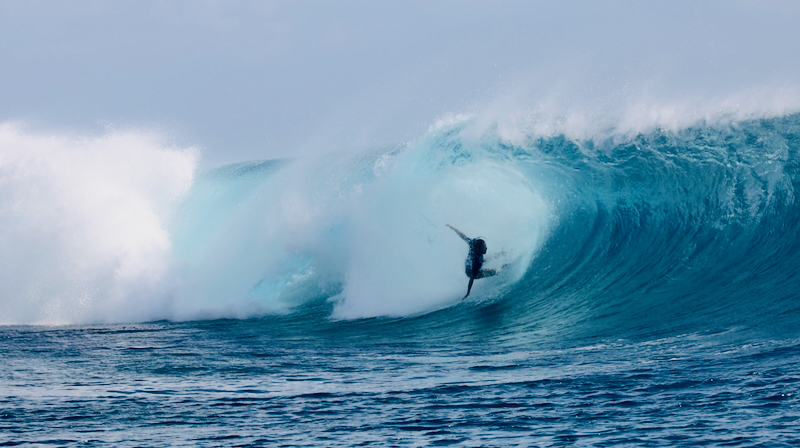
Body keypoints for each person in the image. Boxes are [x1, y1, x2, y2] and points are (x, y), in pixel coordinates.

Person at [447, 224, 508, 299]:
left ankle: (506, 252)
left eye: (485, 246)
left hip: (471, 262)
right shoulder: (477, 263)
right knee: (495, 272)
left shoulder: (473, 244)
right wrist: (468, 292)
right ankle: (503, 266)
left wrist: (453, 228)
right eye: (484, 247)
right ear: (479, 249)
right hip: (470, 272)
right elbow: (472, 278)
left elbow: (463, 236)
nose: (486, 248)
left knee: (492, 255)